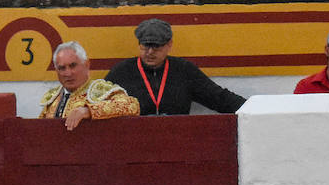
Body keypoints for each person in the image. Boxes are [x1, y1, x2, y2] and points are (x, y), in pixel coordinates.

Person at [105, 18, 245, 116]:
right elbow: (99, 103)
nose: (150, 52)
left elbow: (220, 98)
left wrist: (255, 107)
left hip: (178, 139)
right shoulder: (121, 72)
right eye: (145, 46)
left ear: (169, 45)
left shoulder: (184, 70)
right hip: (134, 141)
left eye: (157, 47)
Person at [38, 41, 138, 129]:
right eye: (62, 68)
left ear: (86, 65)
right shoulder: (53, 97)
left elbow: (132, 105)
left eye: (73, 66)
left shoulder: (100, 90)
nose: (68, 73)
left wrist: (88, 111)